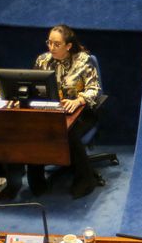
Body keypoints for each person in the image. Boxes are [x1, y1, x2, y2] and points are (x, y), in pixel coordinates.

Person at [24, 24, 102, 199]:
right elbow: (32, 85)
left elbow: (94, 89)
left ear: (68, 46)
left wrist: (78, 100)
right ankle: (37, 183)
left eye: (56, 44)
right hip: (51, 110)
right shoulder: (42, 60)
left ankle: (85, 181)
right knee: (31, 128)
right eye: (49, 42)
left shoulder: (83, 60)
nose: (51, 47)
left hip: (82, 111)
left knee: (69, 133)